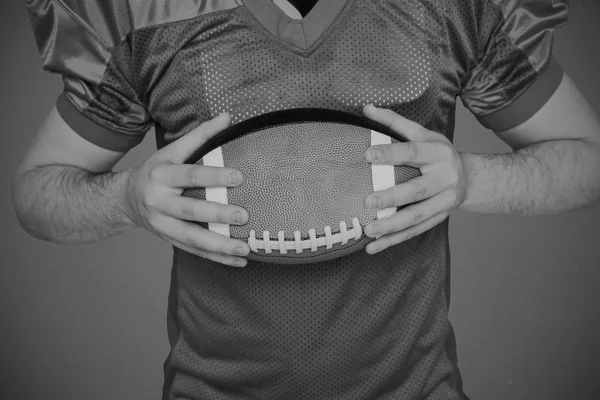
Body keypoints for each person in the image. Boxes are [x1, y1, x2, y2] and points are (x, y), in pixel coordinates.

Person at [14, 0, 600, 399]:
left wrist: (472, 179)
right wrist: (126, 198)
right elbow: (37, 190)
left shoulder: (449, 9)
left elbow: (587, 161)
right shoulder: (147, 12)